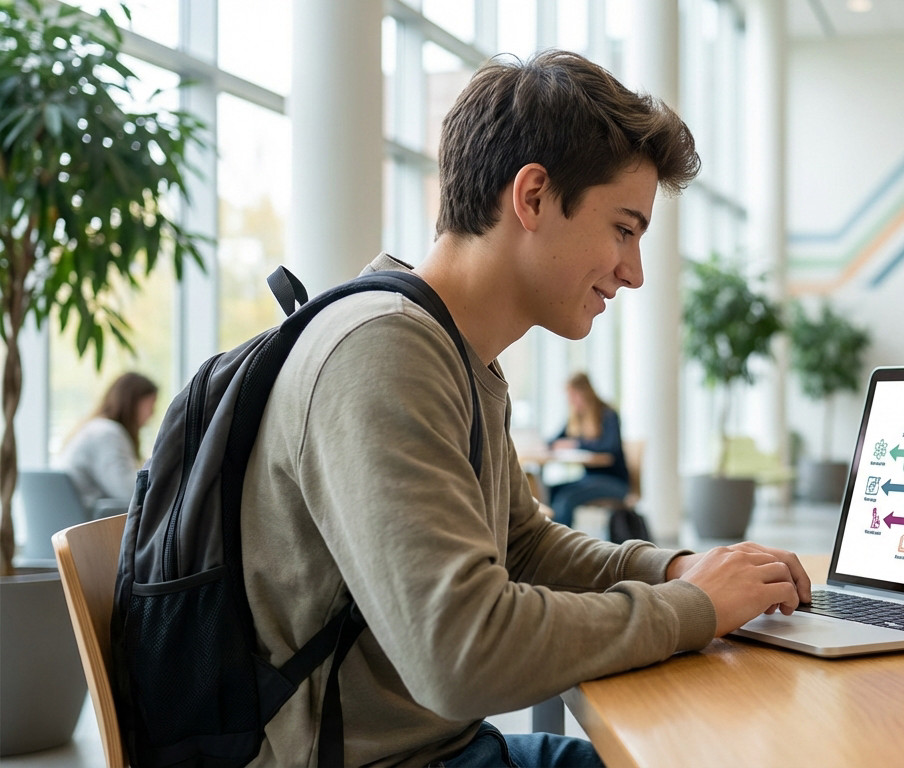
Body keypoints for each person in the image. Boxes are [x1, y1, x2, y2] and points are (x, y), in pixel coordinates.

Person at [240, 50, 810, 767]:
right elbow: (461, 652)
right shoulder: (383, 352)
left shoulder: (454, 353)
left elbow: (525, 548)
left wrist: (678, 571)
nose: (633, 273)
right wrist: (693, 609)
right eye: (624, 230)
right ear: (533, 197)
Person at [56, 372, 157, 512]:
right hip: (91, 525)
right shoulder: (107, 433)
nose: (152, 414)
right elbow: (128, 491)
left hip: (75, 519)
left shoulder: (94, 428)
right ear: (132, 402)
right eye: (150, 406)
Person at [547, 372, 631, 527]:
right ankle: (541, 540)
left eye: (573, 395)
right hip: (589, 480)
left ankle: (561, 546)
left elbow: (609, 448)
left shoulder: (608, 415)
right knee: (550, 491)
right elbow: (554, 440)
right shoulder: (577, 418)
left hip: (615, 482)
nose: (571, 401)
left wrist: (576, 444)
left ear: (584, 392)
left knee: (566, 498)